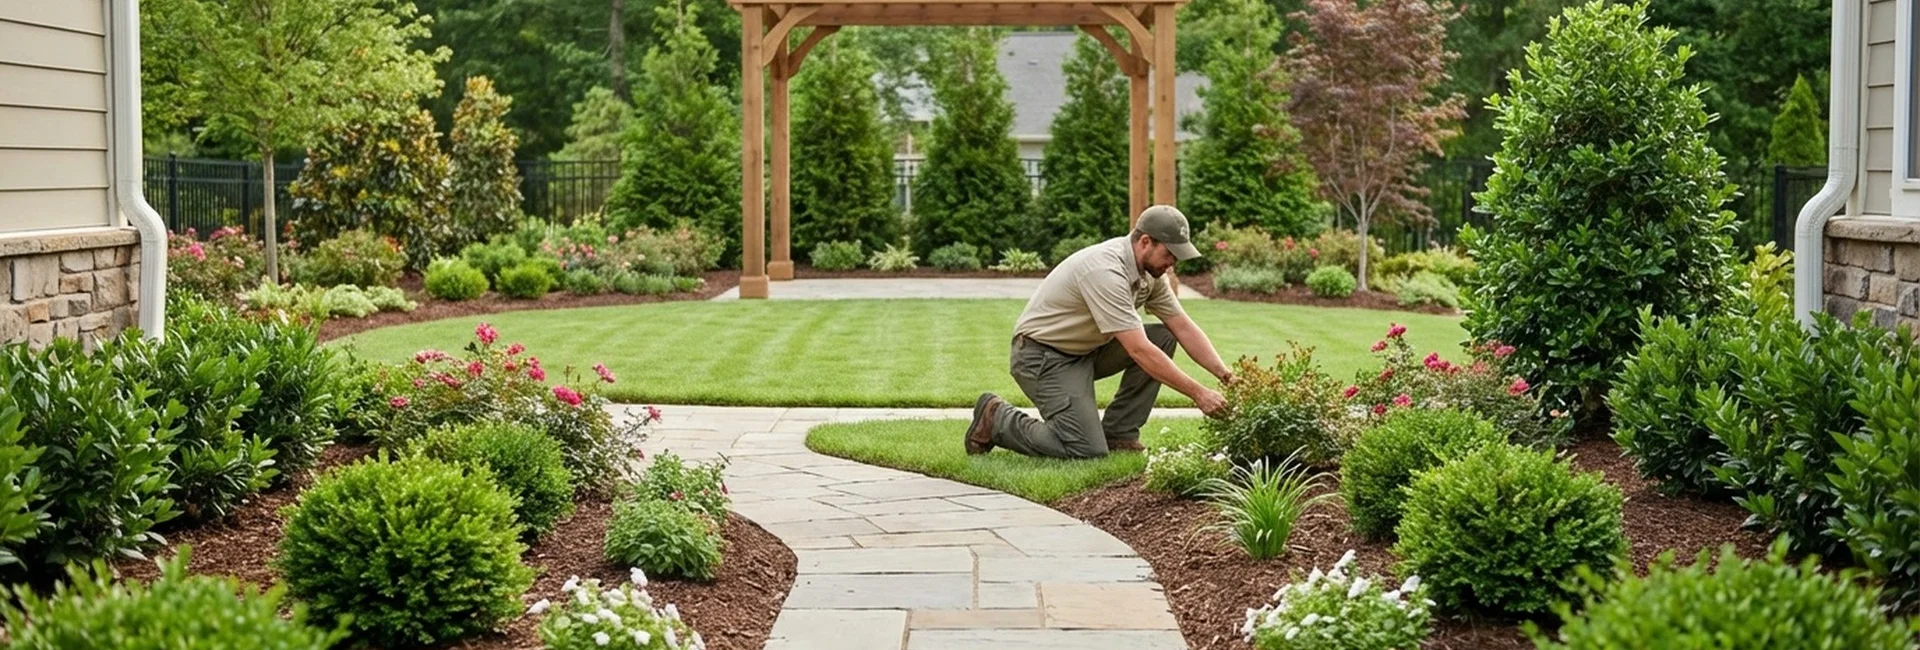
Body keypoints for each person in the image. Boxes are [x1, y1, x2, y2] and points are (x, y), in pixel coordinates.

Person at [965, 204, 1234, 459]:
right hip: (1042, 357)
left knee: (1163, 337)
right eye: (1169, 254)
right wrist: (1199, 393)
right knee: (1084, 448)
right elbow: (1138, 349)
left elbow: (1182, 326)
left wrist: (1227, 376)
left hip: (1085, 351)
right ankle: (996, 417)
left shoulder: (1151, 275)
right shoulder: (1106, 270)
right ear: (1145, 242)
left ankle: (1119, 433)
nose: (1172, 263)